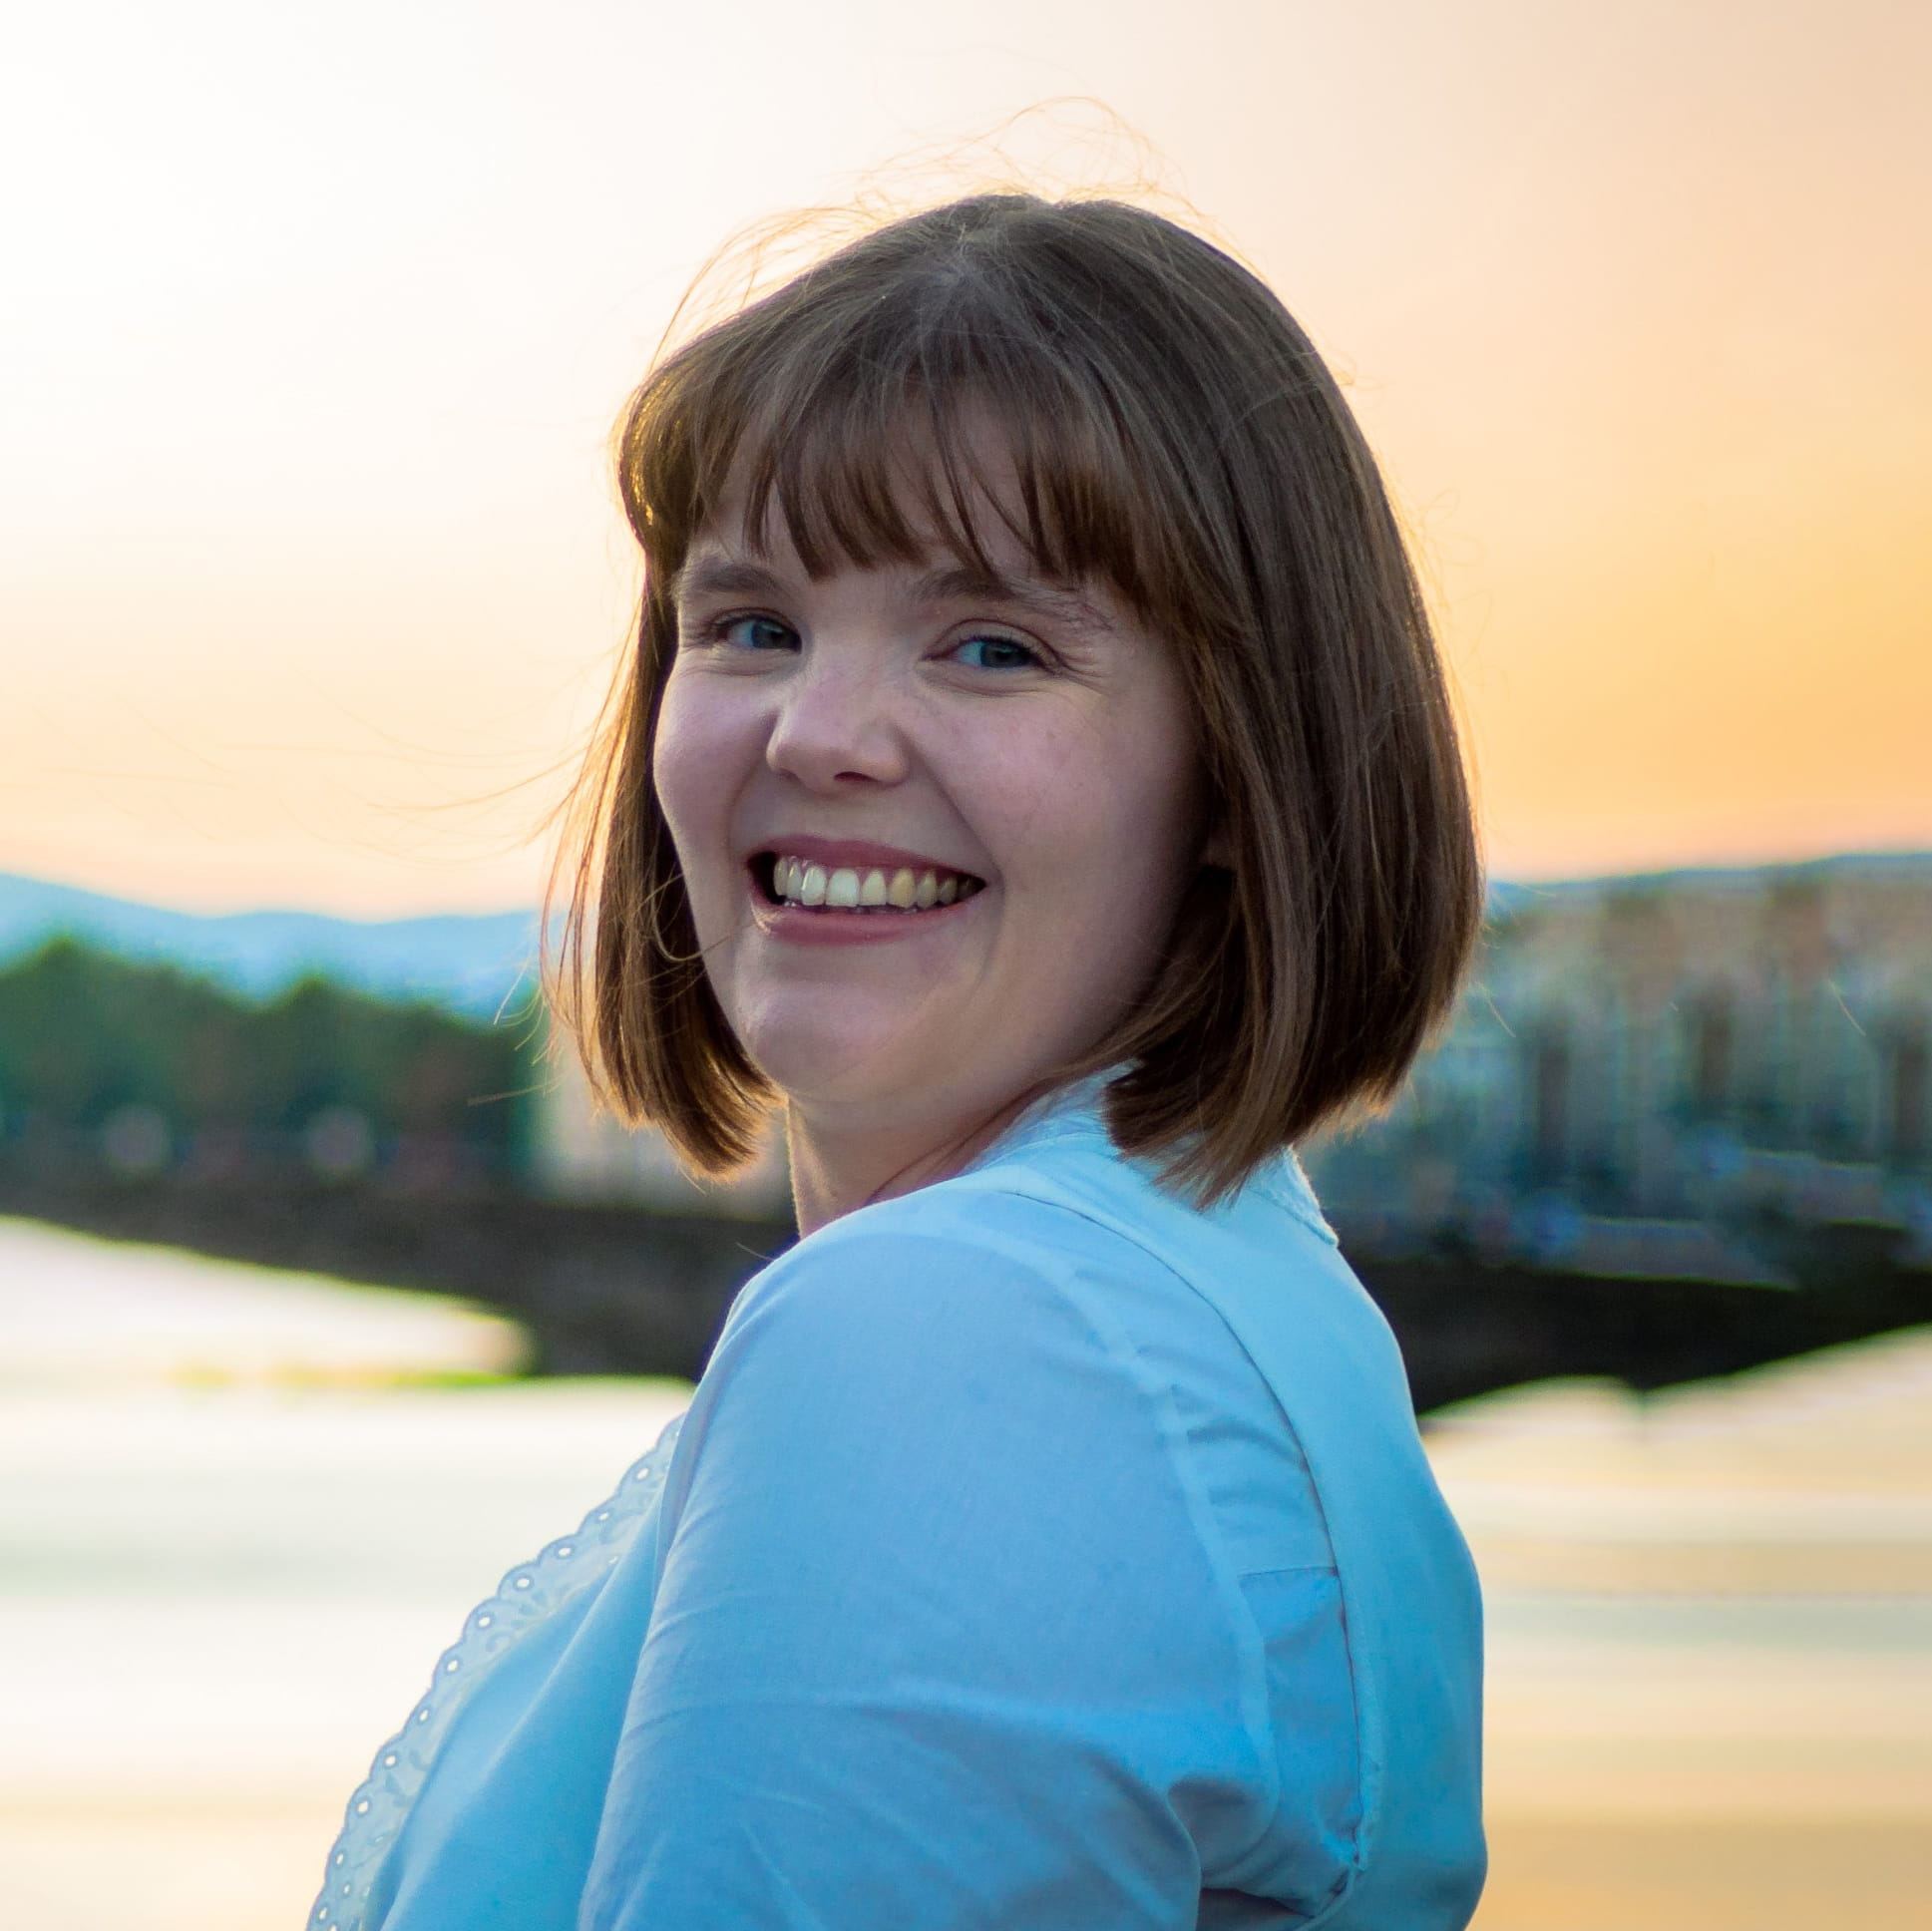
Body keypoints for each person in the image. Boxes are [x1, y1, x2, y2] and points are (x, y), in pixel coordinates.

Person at [311, 192, 1486, 1930]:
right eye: (750, 624)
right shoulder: (1229, 1288)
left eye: (990, 646)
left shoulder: (961, 1335)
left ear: (1242, 770)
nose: (816, 733)